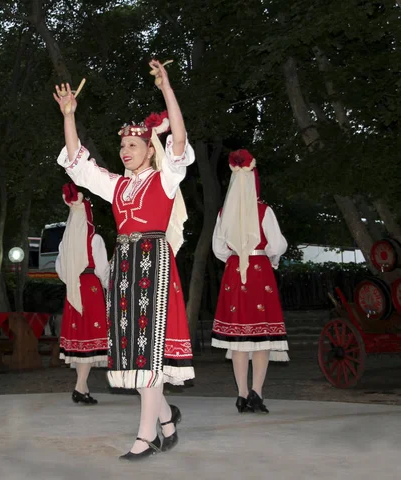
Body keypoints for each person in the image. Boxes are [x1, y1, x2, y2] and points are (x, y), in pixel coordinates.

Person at [53, 59, 195, 460]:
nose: (125, 151)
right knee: (136, 355)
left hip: (154, 263)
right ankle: (166, 420)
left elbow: (180, 138)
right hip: (125, 267)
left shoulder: (165, 178)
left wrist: (166, 88)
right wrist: (69, 116)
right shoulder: (114, 185)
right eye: (122, 146)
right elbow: (78, 163)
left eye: (133, 145)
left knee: (148, 354)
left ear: (151, 149)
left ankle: (146, 434)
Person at [211, 149, 289, 414]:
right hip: (259, 272)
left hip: (235, 273)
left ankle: (242, 394)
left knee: (239, 340)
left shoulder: (224, 213)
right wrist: (269, 258)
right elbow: (277, 244)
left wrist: (235, 258)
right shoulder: (264, 210)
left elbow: (218, 249)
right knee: (261, 337)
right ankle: (257, 392)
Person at [55, 182, 109, 405]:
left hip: (73, 289)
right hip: (90, 288)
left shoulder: (65, 242)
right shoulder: (94, 239)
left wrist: (71, 281)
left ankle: (83, 389)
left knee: (80, 339)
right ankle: (79, 387)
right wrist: (108, 285)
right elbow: (103, 269)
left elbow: (60, 269)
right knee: (88, 339)